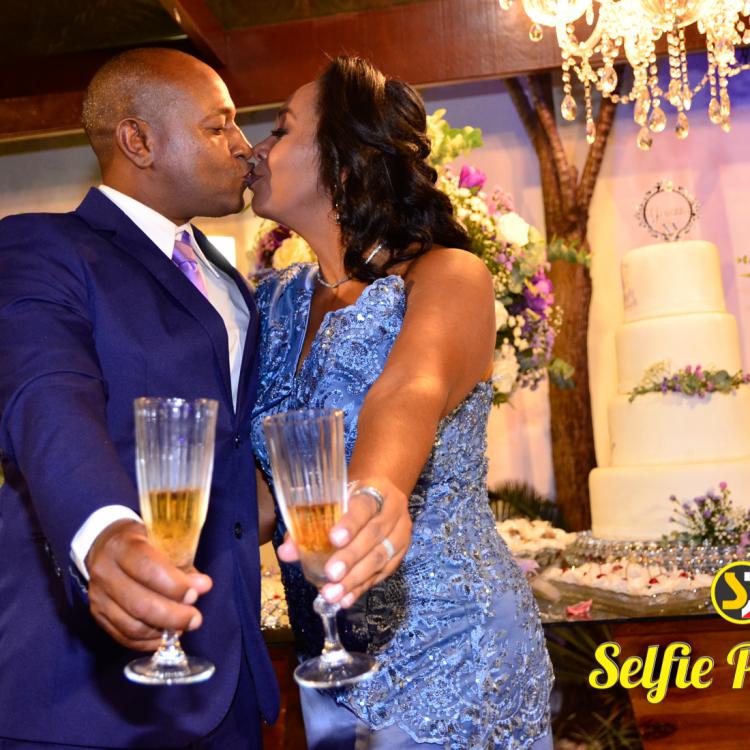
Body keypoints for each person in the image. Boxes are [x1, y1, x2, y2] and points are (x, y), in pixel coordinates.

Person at [248, 56, 554, 749]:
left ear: (344, 161)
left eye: (281, 129)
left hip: (457, 654)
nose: (257, 149)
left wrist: (375, 490)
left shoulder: (447, 275)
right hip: (329, 660)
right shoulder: (272, 302)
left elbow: (409, 389)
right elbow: (262, 498)